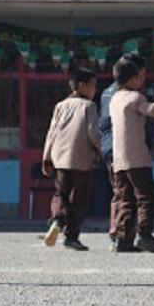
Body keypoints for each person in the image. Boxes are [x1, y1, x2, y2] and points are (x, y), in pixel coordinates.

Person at [42, 67, 101, 251]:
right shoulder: (89, 106)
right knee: (79, 199)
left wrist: (46, 158)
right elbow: (93, 133)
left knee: (61, 193)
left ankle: (57, 221)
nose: (95, 90)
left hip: (60, 158)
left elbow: (51, 132)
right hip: (81, 159)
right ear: (82, 86)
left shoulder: (60, 105)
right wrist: (102, 150)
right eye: (93, 86)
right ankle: (71, 235)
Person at [108, 57, 154, 253]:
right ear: (132, 80)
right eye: (140, 77)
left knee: (125, 198)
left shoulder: (114, 99)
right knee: (147, 195)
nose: (142, 81)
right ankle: (144, 234)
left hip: (119, 158)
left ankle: (123, 238)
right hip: (137, 156)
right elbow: (153, 111)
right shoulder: (135, 98)